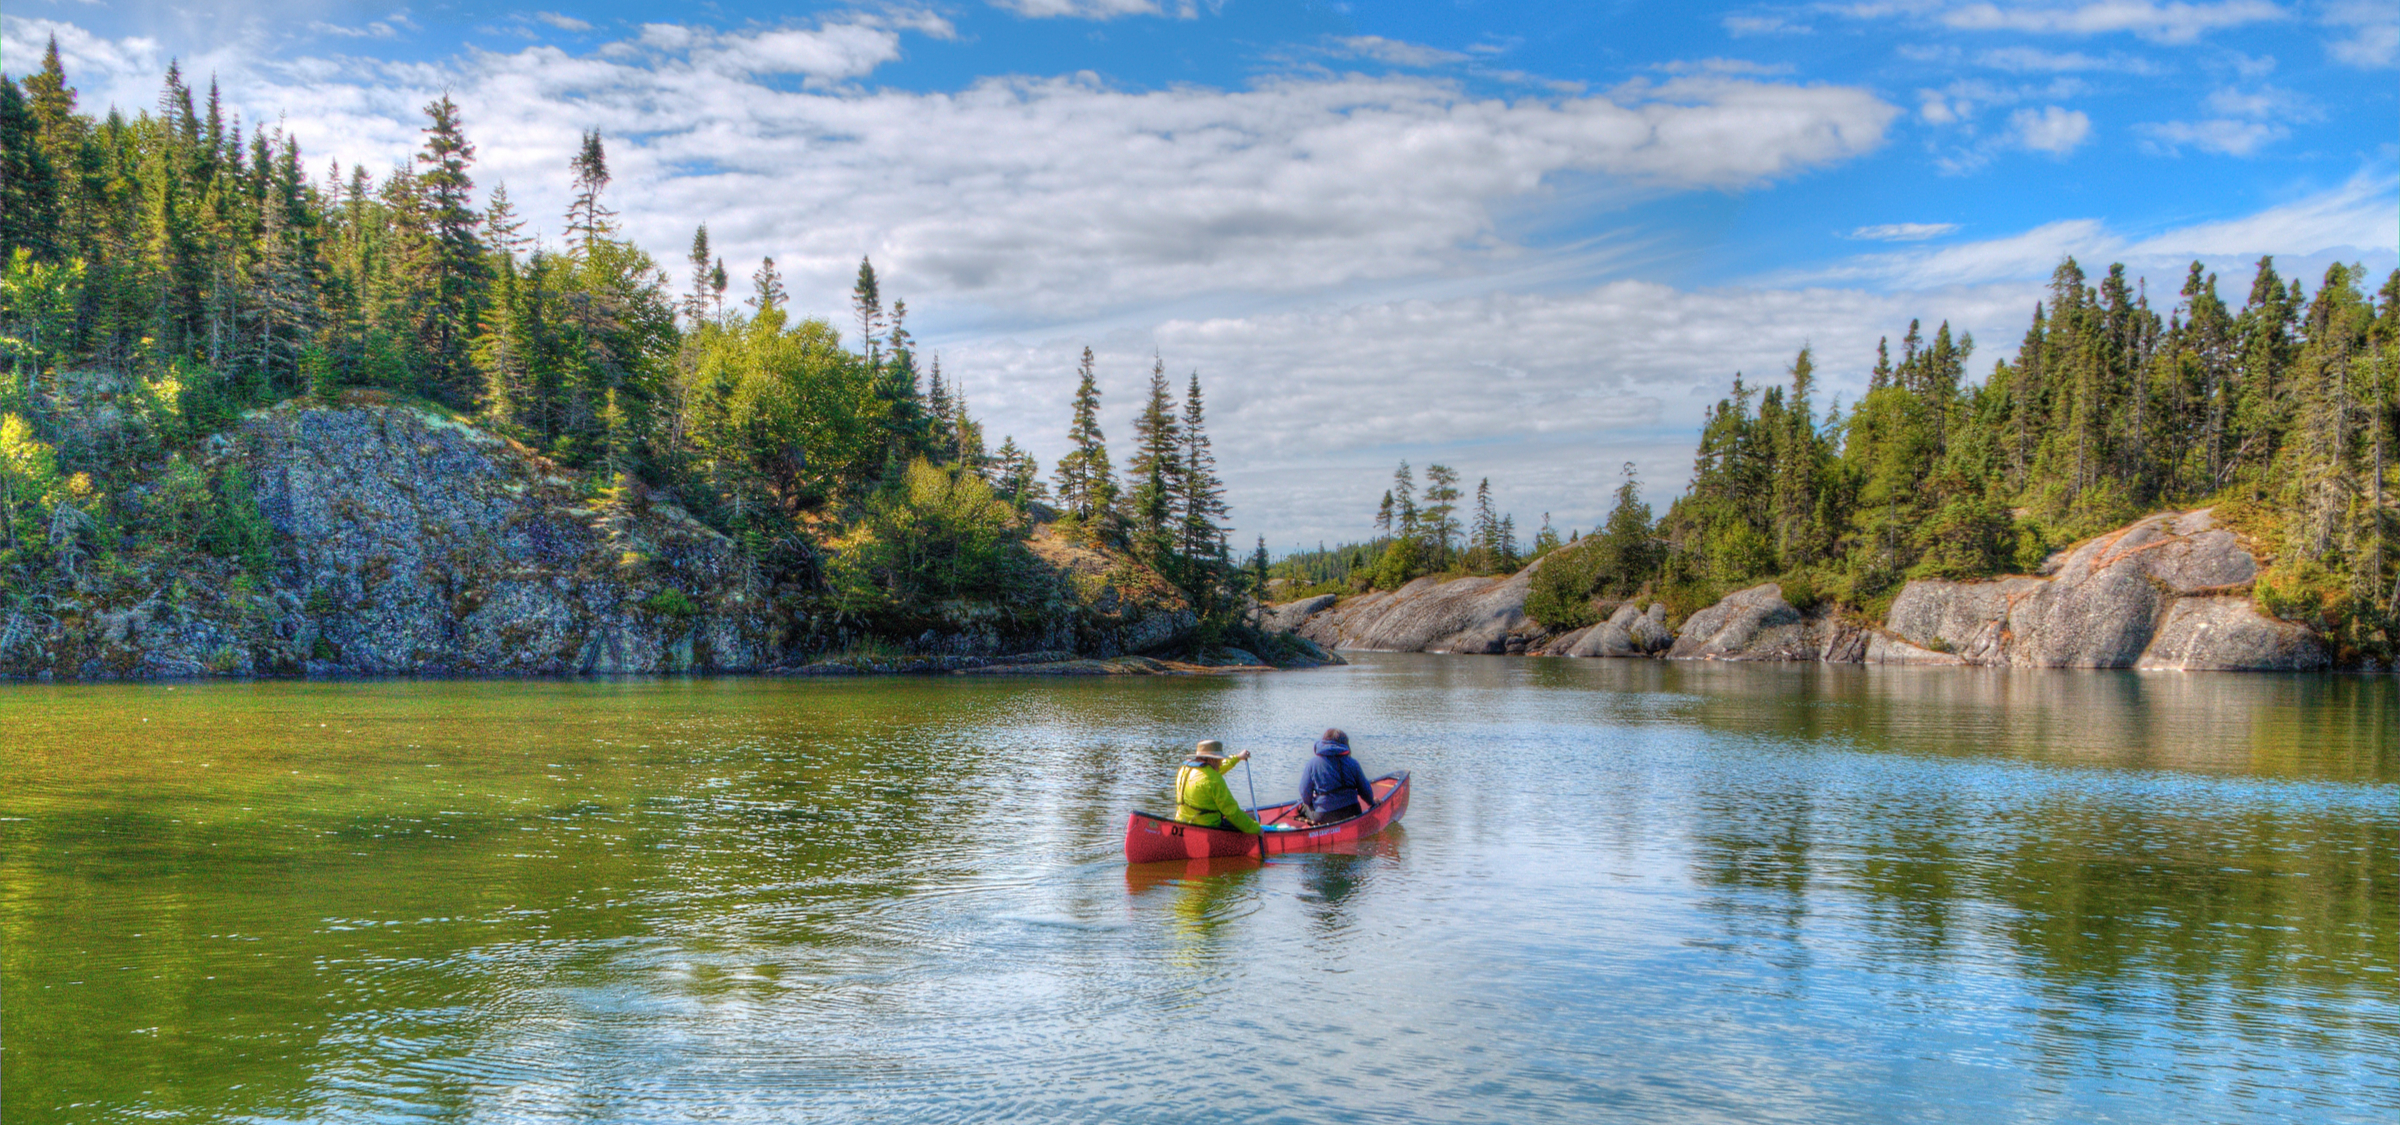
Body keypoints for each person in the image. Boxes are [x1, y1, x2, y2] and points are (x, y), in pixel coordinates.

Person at [1173, 740, 1262, 834]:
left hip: (1182, 823)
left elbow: (1218, 769)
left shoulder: (1184, 770)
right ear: (1212, 760)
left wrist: (1238, 757)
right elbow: (1232, 812)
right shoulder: (1214, 779)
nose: (1220, 763)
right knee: (1254, 817)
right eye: (1219, 759)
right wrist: (1256, 829)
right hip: (1208, 828)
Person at [1298, 728, 1372, 823]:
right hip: (1353, 812)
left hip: (1324, 816)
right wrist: (1372, 802)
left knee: (1304, 807)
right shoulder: (1353, 763)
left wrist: (1309, 803)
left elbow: (1304, 792)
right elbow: (1365, 791)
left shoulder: (1312, 764)